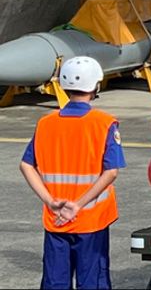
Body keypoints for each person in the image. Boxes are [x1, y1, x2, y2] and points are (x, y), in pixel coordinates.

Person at [21, 56, 124, 290]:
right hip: (91, 220)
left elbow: (26, 165)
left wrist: (50, 201)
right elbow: (111, 172)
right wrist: (78, 205)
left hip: (56, 219)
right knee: (92, 282)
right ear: (95, 86)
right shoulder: (104, 123)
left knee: (55, 282)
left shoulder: (46, 123)